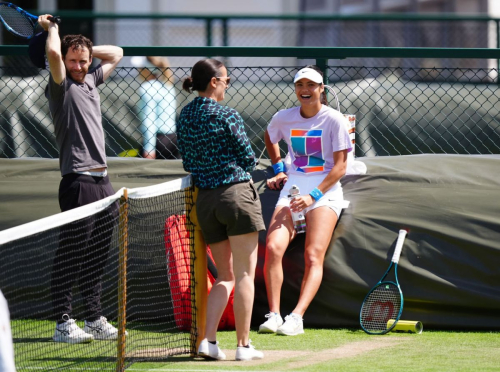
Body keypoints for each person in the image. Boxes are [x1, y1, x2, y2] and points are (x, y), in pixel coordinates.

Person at [38, 14, 124, 344]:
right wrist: (54, 31)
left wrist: (84, 46)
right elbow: (55, 56)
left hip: (104, 182)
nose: (77, 65)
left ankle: (93, 317)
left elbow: (116, 52)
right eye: (73, 60)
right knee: (71, 253)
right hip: (77, 181)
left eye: (82, 61)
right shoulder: (61, 85)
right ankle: (63, 323)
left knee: (98, 253)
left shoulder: (90, 80)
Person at [176, 59, 265, 361]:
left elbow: (188, 162)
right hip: (236, 196)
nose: (228, 84)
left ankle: (208, 341)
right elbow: (248, 159)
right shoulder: (227, 113)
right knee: (243, 275)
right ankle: (243, 345)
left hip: (206, 202)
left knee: (225, 275)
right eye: (226, 80)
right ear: (214, 81)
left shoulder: (185, 115)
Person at [259, 65, 353, 336]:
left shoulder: (335, 120)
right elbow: (270, 135)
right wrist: (278, 168)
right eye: (300, 85)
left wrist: (313, 196)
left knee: (313, 254)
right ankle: (274, 315)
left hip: (326, 192)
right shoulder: (283, 118)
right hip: (293, 189)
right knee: (274, 248)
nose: (305, 90)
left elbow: (340, 168)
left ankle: (297, 317)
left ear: (321, 90)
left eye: (311, 85)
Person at [131, 56, 179, 159]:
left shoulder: (147, 88)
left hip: (158, 143)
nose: (138, 71)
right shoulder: (168, 85)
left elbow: (149, 122)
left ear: (146, 70)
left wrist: (149, 150)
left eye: (140, 68)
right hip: (173, 140)